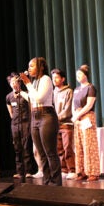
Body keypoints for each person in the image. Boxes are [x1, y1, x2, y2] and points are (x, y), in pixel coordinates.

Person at [19, 57, 62, 186]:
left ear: (41, 67)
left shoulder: (46, 79)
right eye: (28, 66)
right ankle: (47, 181)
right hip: (35, 116)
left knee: (50, 152)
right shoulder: (35, 82)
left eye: (32, 66)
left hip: (46, 116)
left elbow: (39, 98)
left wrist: (27, 83)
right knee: (41, 153)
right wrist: (20, 91)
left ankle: (56, 182)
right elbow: (32, 99)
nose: (29, 69)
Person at [71, 64, 100, 182]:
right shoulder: (76, 89)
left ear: (86, 75)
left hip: (87, 116)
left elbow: (89, 105)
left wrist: (78, 115)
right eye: (77, 74)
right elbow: (73, 104)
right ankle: (81, 171)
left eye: (80, 74)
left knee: (89, 145)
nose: (78, 76)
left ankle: (92, 172)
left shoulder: (91, 87)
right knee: (79, 145)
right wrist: (74, 116)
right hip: (77, 118)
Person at [6, 73, 34, 179]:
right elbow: (10, 112)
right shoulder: (9, 97)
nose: (14, 84)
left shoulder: (25, 94)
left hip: (25, 122)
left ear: (19, 82)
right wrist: (14, 119)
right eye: (11, 82)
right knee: (17, 148)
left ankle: (28, 171)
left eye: (16, 81)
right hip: (15, 124)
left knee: (26, 146)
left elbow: (31, 107)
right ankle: (19, 171)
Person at [51, 68, 77, 180]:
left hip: (66, 124)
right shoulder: (53, 92)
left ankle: (72, 169)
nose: (54, 80)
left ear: (63, 79)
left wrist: (56, 118)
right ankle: (63, 169)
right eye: (53, 78)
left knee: (67, 147)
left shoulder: (68, 91)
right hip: (55, 125)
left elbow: (67, 110)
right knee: (59, 148)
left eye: (57, 77)